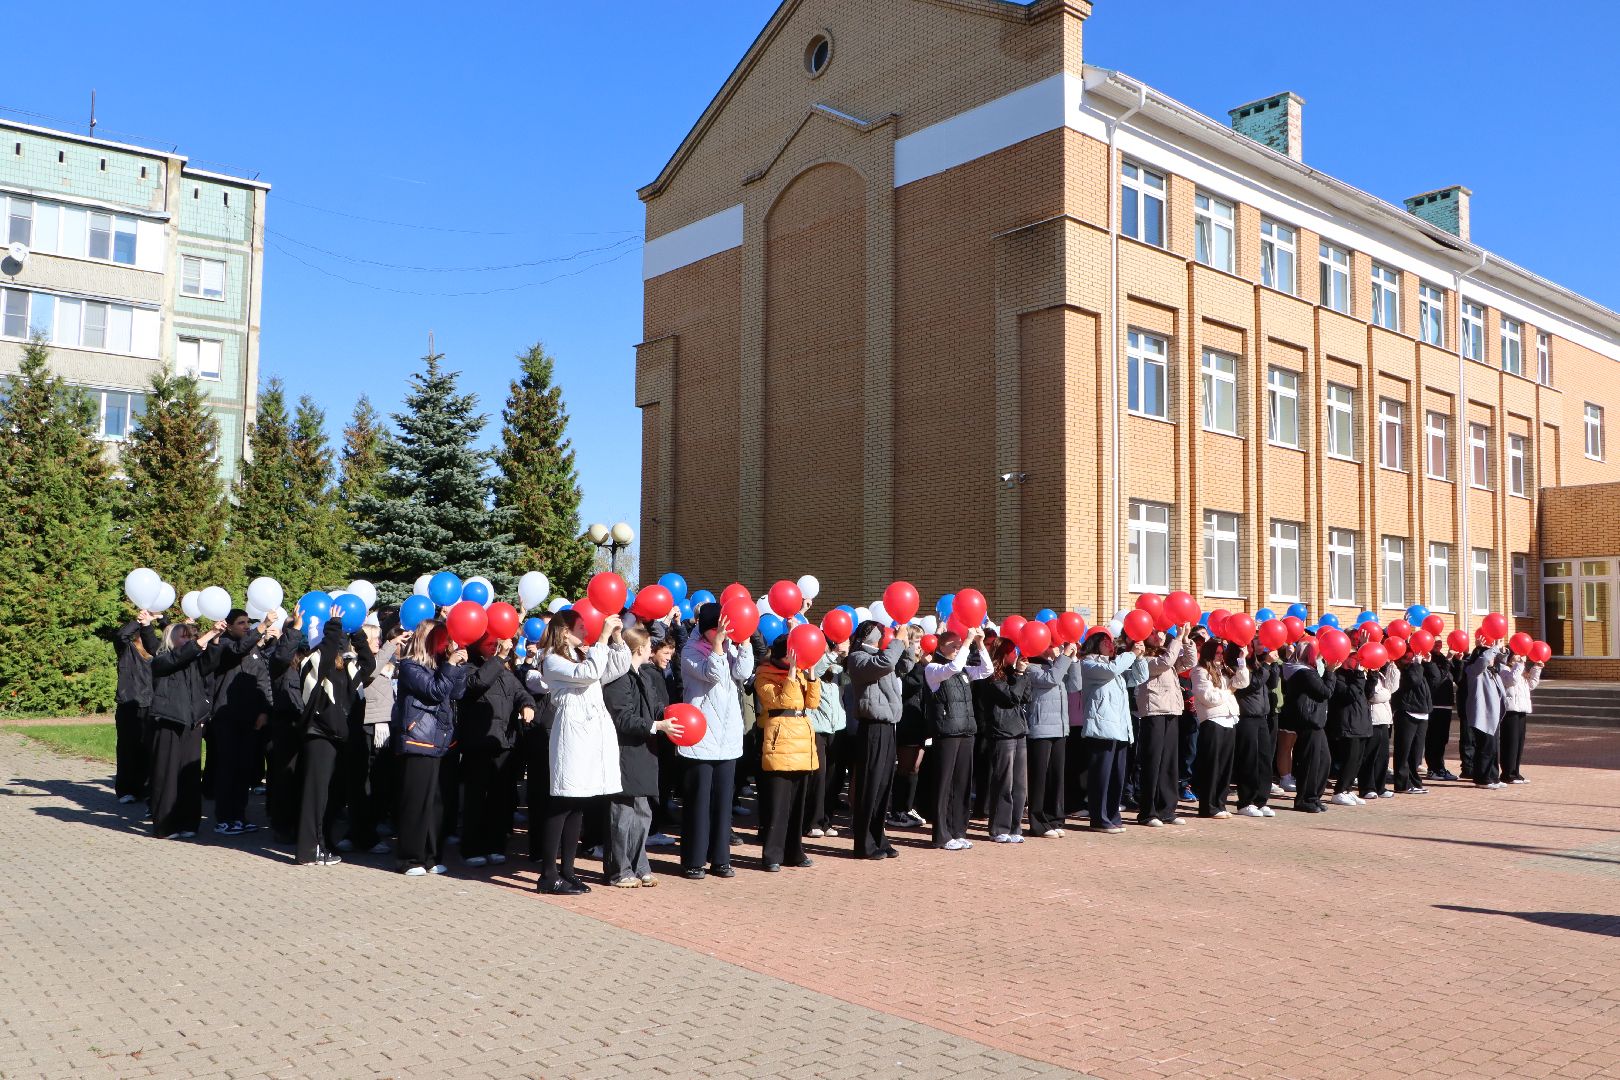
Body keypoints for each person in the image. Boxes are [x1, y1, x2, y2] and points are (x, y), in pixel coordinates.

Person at [538, 610, 632, 895]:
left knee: (579, 803)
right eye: (580, 627)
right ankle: (547, 874)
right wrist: (602, 639)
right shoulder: (551, 659)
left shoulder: (583, 654)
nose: (586, 631)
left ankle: (568, 870)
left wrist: (616, 639)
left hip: (590, 733)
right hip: (572, 733)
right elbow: (588, 674)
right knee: (563, 802)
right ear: (564, 631)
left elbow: (618, 667)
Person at [678, 604, 754, 880]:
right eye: (717, 629)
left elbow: (742, 673)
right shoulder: (690, 651)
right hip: (701, 738)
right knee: (699, 802)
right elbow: (716, 675)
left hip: (727, 737)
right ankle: (693, 860)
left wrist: (744, 645)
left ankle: (720, 858)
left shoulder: (730, 647)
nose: (723, 633)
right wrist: (720, 647)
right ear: (707, 630)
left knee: (723, 803)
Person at [391, 618, 470, 876]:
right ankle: (409, 859)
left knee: (436, 803)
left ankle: (431, 856)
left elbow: (456, 692)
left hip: (440, 741)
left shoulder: (439, 665)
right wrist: (448, 665)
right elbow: (434, 691)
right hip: (418, 740)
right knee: (416, 802)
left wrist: (459, 664)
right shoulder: (410, 666)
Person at [298, 618, 372, 866]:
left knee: (331, 797)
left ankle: (324, 844)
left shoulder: (347, 667)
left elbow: (369, 663)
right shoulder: (313, 661)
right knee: (315, 795)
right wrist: (334, 625)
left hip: (340, 738)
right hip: (319, 734)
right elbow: (326, 653)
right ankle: (308, 850)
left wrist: (358, 631)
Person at [460, 635, 535, 868]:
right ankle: (472, 847)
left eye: (497, 643)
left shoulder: (502, 670)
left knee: (499, 799)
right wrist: (500, 657)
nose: (495, 646)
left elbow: (519, 690)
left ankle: (495, 845)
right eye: (490, 643)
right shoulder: (469, 666)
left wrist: (527, 705)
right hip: (479, 743)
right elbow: (477, 684)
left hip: (503, 742)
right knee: (476, 798)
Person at [845, 621, 916, 859]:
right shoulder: (858, 657)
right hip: (871, 727)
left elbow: (904, 666)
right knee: (870, 784)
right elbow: (884, 663)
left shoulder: (881, 654)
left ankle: (879, 837)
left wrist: (907, 646)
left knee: (884, 785)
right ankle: (863, 843)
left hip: (888, 726)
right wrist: (896, 641)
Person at [752, 636, 822, 872]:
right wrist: (792, 672)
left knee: (797, 804)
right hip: (780, 741)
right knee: (778, 804)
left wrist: (811, 674)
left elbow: (811, 703)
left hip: (802, 742)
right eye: (790, 658)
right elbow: (783, 700)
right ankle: (772, 853)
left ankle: (795, 851)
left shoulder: (801, 672)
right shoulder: (764, 675)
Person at [210, 609, 282, 836]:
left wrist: (264, 710)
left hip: (251, 720)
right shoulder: (224, 644)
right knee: (227, 769)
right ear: (229, 626)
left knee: (244, 770)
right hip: (227, 718)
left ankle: (239, 816)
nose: (245, 626)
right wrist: (262, 626)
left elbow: (262, 680)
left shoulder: (254, 650)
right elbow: (237, 650)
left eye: (247, 622)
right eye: (241, 623)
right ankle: (224, 818)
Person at [148, 620, 221, 839]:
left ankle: (189, 822)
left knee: (189, 775)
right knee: (168, 774)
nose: (189, 640)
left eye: (191, 636)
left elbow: (210, 663)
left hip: (192, 723)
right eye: (184, 636)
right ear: (171, 639)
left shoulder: (193, 661)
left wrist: (215, 640)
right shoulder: (161, 660)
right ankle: (166, 825)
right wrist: (206, 637)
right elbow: (177, 659)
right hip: (170, 722)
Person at [922, 628, 991, 850]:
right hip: (946, 732)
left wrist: (980, 644)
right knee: (944, 784)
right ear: (940, 647)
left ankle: (958, 830)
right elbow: (953, 667)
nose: (957, 648)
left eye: (959, 645)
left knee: (962, 783)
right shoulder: (934, 669)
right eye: (953, 645)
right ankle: (941, 835)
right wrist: (968, 640)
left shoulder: (963, 671)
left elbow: (987, 670)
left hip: (966, 731)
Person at [1077, 630, 1147, 833]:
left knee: (1117, 775)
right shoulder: (1089, 663)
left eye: (1111, 641)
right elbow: (1111, 671)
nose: (1111, 645)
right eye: (1106, 642)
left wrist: (1139, 657)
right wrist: (1131, 654)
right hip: (1101, 728)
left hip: (1120, 727)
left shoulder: (1116, 665)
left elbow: (1139, 677)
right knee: (1101, 776)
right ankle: (1099, 817)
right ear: (1095, 644)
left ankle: (1113, 815)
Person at [344, 620, 403, 855]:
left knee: (379, 782)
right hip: (365, 727)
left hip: (383, 726)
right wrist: (390, 645)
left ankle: (365, 830)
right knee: (364, 783)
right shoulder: (353, 661)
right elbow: (368, 673)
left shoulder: (383, 662)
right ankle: (360, 834)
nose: (379, 641)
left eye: (380, 638)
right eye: (374, 638)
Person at [1133, 625, 1193, 827]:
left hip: (1172, 711)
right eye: (1153, 633)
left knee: (1168, 762)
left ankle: (1167, 810)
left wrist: (1185, 639)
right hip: (1153, 712)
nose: (1159, 635)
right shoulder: (1144, 659)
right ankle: (1147, 812)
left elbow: (1190, 661)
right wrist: (1176, 639)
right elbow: (1165, 663)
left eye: (1160, 632)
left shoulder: (1169, 652)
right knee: (1152, 762)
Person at [1190, 639, 1248, 818]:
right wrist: (1228, 692)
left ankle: (1220, 803)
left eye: (1222, 653)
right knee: (1212, 766)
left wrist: (1242, 660)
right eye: (1217, 653)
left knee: (1225, 766)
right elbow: (1208, 697)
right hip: (1213, 721)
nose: (1220, 656)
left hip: (1229, 719)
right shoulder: (1200, 671)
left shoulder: (1223, 671)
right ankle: (1209, 806)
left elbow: (1242, 682)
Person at [981, 640, 1032, 844]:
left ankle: (1015, 826)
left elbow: (1025, 696)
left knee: (1020, 784)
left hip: (1019, 730)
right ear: (1002, 654)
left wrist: (1023, 675)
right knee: (1004, 781)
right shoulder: (992, 676)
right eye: (1011, 652)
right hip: (1002, 731)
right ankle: (999, 827)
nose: (1015, 655)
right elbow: (1009, 698)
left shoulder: (1012, 673)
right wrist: (1019, 675)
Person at [1024, 638, 1076, 838]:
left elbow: (1075, 684)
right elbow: (1050, 680)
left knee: (1056, 775)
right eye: (1050, 645)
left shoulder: (1058, 665)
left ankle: (1055, 818)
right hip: (1041, 728)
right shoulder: (1031, 666)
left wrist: (1074, 660)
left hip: (1060, 727)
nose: (1054, 648)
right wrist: (1063, 658)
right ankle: (1037, 822)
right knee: (1039, 777)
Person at [1283, 643, 1338, 813]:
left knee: (1323, 760)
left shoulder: (1306, 671)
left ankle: (1313, 797)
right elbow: (1325, 692)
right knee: (1310, 762)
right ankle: (1304, 799)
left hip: (1315, 721)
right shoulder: (1303, 672)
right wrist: (1330, 671)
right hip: (1308, 721)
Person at [113, 609, 159, 805]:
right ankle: (126, 789)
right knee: (127, 748)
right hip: (129, 704)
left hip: (152, 705)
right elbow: (120, 635)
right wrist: (139, 620)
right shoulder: (127, 649)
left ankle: (146, 788)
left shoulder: (157, 654)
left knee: (149, 748)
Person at [805, 638, 849, 839]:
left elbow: (848, 676)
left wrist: (843, 656)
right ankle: (812, 821)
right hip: (817, 729)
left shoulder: (837, 667)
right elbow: (817, 669)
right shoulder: (812, 666)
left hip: (837, 729)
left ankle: (827, 819)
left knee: (834, 777)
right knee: (818, 776)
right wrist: (833, 652)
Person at [1232, 644, 1280, 817]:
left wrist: (1272, 664)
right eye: (1257, 643)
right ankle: (1245, 801)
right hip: (1246, 717)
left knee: (1264, 761)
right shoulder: (1238, 663)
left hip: (1262, 717)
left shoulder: (1259, 664)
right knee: (1249, 761)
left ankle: (1261, 800)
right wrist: (1267, 664)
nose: (1261, 647)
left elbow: (1272, 683)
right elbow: (1251, 685)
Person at [1391, 649, 1444, 794]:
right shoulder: (1401, 670)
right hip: (1406, 712)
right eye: (1409, 656)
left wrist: (1429, 663)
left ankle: (1415, 782)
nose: (1412, 658)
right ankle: (1402, 784)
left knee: (1416, 752)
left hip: (1422, 712)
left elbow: (1436, 679)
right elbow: (1413, 681)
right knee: (1404, 750)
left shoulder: (1418, 668)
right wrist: (1417, 664)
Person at [1327, 654, 1374, 806]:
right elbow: (1350, 695)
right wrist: (1359, 675)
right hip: (1348, 724)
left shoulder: (1357, 675)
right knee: (1349, 759)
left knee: (1358, 760)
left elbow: (1368, 693)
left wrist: (1372, 675)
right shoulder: (1338, 676)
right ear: (1345, 658)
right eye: (1354, 657)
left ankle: (1347, 789)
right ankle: (1339, 791)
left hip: (1361, 723)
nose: (1358, 661)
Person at [889, 655, 929, 829]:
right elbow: (911, 685)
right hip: (907, 722)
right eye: (917, 642)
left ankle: (908, 807)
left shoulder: (924, 667)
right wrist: (921, 666)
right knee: (905, 767)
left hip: (920, 722)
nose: (921, 648)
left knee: (915, 766)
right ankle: (897, 811)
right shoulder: (903, 666)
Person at [1465, 643, 1508, 789]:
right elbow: (1483, 661)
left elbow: (1501, 663)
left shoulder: (1492, 672)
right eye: (1491, 656)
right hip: (1482, 716)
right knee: (1485, 747)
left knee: (1493, 748)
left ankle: (1493, 776)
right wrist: (1494, 648)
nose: (1492, 659)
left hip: (1494, 716)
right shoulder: (1474, 671)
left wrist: (1503, 652)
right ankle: (1482, 778)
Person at [1358, 657, 1400, 800]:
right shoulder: (1364, 674)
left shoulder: (1380, 674)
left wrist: (1393, 667)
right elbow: (1373, 696)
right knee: (1369, 756)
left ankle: (1380, 786)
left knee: (1383, 756)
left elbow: (1392, 687)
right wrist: (1386, 694)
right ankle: (1367, 787)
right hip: (1372, 720)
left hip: (1384, 720)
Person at [1498, 654, 1542, 784]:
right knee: (1510, 743)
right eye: (1517, 657)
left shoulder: (1520, 672)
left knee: (1519, 743)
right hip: (1510, 711)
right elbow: (1511, 681)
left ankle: (1515, 772)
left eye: (1521, 657)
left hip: (1522, 710)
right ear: (1510, 658)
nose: (1519, 659)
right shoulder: (1504, 670)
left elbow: (1530, 685)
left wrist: (1536, 669)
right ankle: (1507, 773)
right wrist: (1519, 666)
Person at [1423, 641, 1460, 782]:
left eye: (1440, 641)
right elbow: (1436, 679)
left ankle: (1440, 768)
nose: (1438, 644)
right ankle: (1433, 769)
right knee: (1434, 740)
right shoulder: (1428, 660)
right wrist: (1447, 661)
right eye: (1435, 641)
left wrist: (1457, 661)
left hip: (1446, 705)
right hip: (1435, 705)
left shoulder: (1443, 659)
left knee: (1442, 740)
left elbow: (1457, 678)